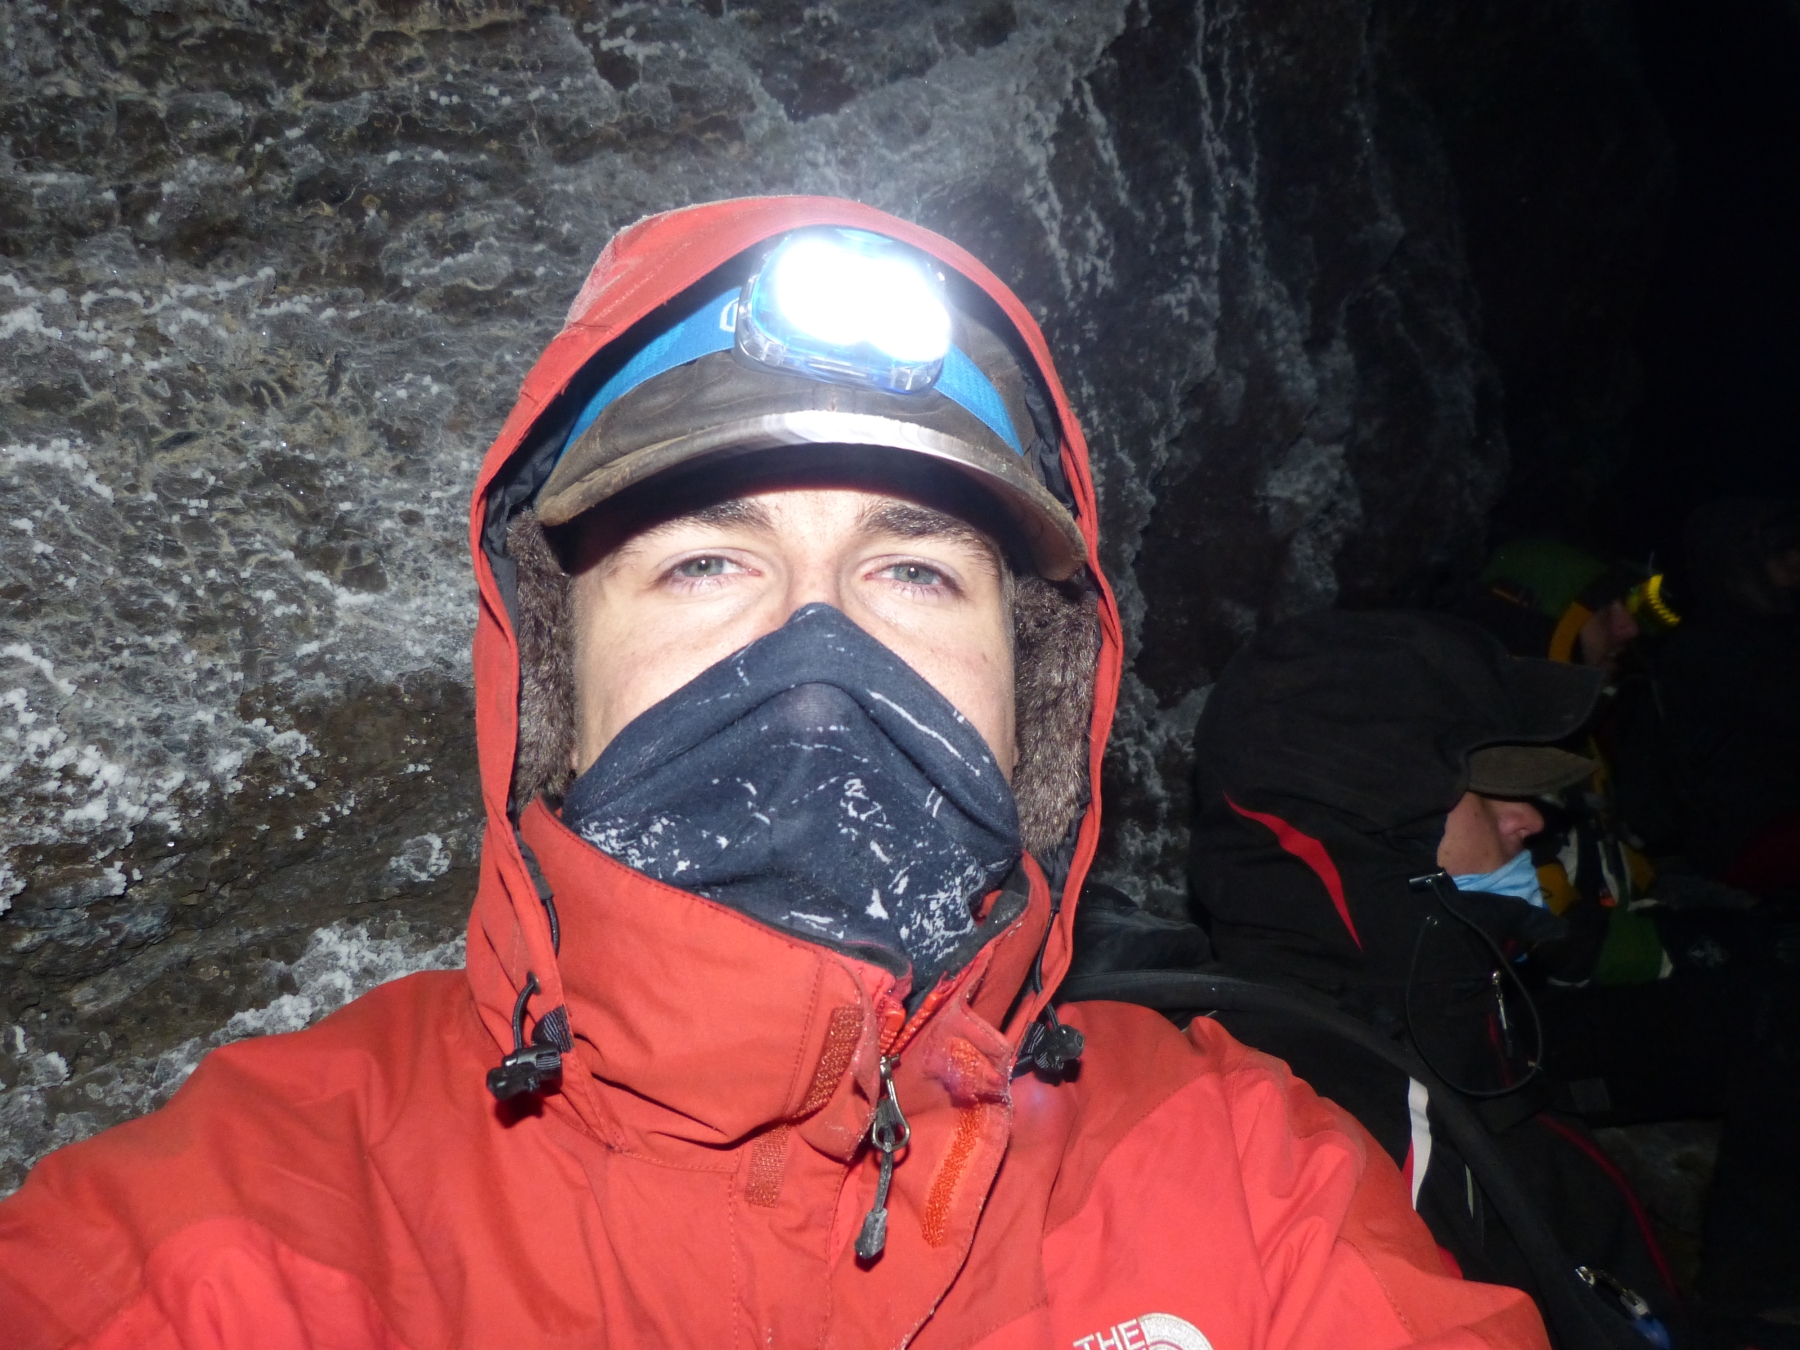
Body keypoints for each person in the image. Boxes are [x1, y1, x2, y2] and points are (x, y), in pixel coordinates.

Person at [0, 200, 1546, 1350]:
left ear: (1036, 696)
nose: (821, 649)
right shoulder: (229, 1228)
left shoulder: (1245, 1182)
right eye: (706, 561)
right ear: (553, 681)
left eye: (914, 572)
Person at [1184, 611, 1682, 1341]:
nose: (1528, 819)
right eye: (1485, 788)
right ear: (1376, 821)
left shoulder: (1455, 1026)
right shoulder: (1313, 1118)